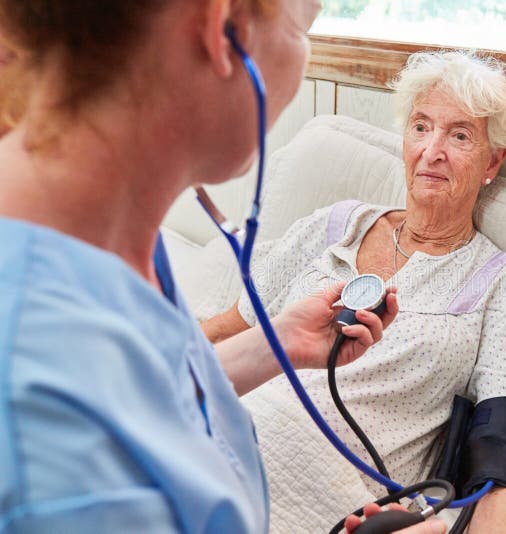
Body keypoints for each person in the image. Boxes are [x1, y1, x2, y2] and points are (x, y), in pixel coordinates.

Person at [0, 1, 446, 533]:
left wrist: (274, 344)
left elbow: (148, 398)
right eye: (304, 26)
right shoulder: (40, 403)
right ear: (224, 27)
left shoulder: (108, 235)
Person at [203, 51, 506, 533]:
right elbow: (227, 331)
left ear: (493, 161)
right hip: (208, 442)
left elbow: (505, 463)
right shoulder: (333, 227)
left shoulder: (502, 285)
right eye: (421, 127)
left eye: (459, 136)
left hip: (326, 506)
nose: (431, 150)